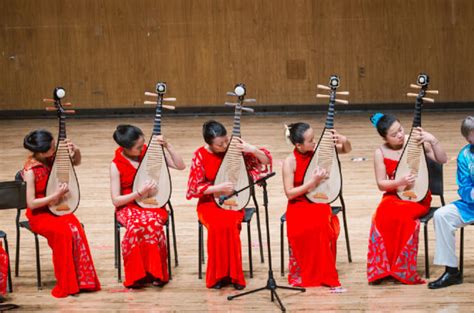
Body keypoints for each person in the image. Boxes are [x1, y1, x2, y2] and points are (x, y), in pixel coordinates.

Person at [186, 120, 272, 290]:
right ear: (209, 144)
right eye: (219, 144)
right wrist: (216, 188)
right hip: (209, 203)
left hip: (235, 200)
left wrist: (252, 149)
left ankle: (234, 275)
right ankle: (218, 276)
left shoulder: (235, 148)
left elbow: (265, 161)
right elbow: (193, 188)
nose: (225, 146)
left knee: (230, 225)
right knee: (218, 225)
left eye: (226, 140)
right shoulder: (200, 155)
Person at [367, 113, 447, 284]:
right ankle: (384, 268)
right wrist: (399, 182)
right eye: (394, 134)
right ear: (384, 137)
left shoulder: (416, 141)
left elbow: (442, 159)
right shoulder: (380, 152)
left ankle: (402, 269)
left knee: (403, 217)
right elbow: (381, 184)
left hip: (418, 197)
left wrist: (432, 140)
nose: (400, 135)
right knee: (381, 215)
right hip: (394, 194)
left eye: (401, 130)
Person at [22, 129, 100, 298]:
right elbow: (31, 203)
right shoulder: (30, 170)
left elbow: (76, 162)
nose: (54, 148)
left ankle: (82, 281)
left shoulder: (52, 157)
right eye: (51, 147)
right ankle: (67, 284)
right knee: (63, 234)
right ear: (42, 152)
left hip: (58, 208)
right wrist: (55, 196)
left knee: (76, 229)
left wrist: (76, 149)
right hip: (40, 213)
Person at [110, 124, 185, 288]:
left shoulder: (149, 153)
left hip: (154, 204)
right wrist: (138, 193)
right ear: (126, 149)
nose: (142, 148)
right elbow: (116, 200)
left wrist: (168, 146)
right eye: (138, 147)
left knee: (151, 224)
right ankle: (137, 275)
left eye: (143, 143)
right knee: (136, 226)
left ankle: (156, 272)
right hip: (129, 206)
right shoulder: (116, 165)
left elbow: (180, 166)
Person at [282, 122, 351, 290]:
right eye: (311, 140)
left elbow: (346, 149)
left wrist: (344, 139)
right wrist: (312, 182)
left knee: (321, 224)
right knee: (305, 229)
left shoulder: (319, 152)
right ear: (298, 145)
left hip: (318, 201)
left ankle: (323, 273)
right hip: (298, 204)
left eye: (314, 138)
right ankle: (309, 272)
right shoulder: (290, 162)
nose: (315, 142)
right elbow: (290, 193)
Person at [429, 116, 474, 289]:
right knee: (441, 215)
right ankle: (452, 271)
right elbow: (463, 188)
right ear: (468, 138)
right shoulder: (464, 156)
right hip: (471, 205)